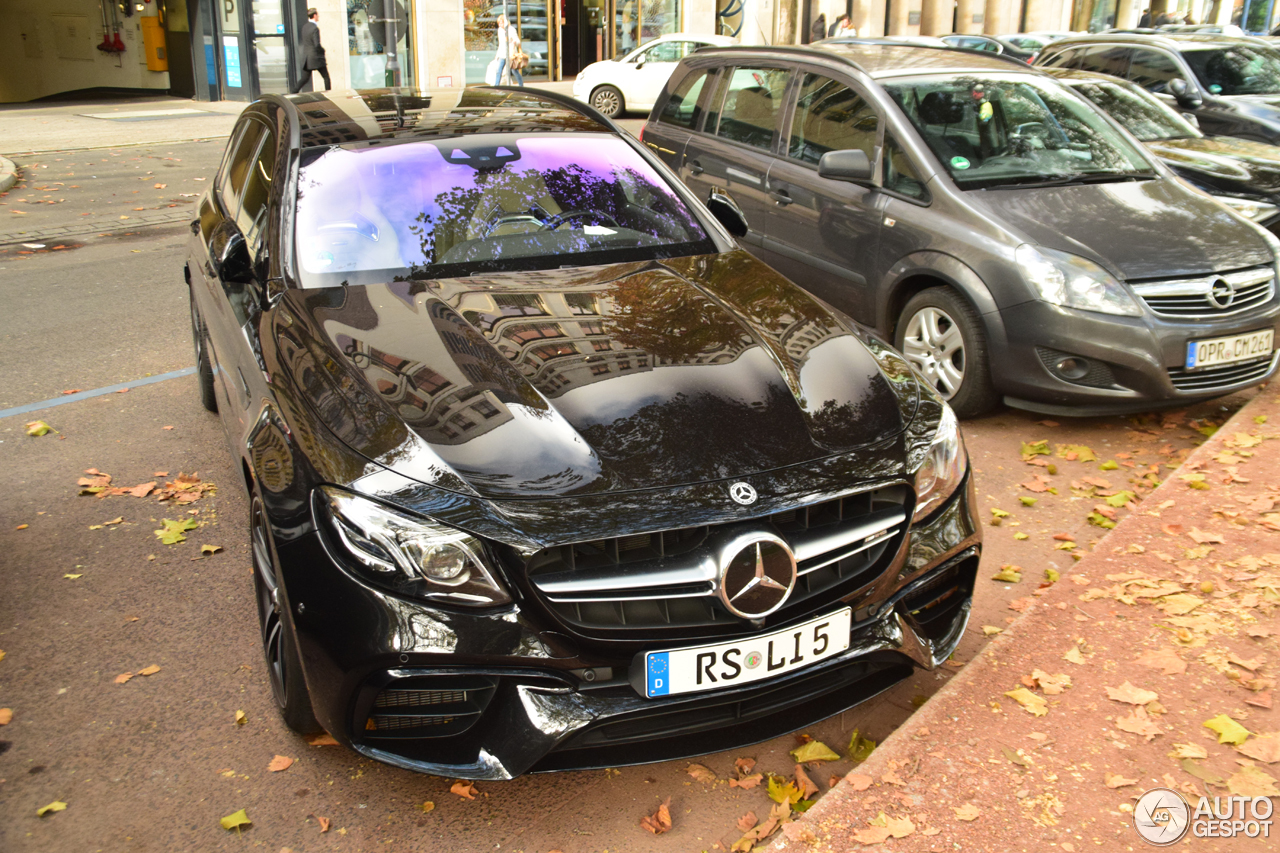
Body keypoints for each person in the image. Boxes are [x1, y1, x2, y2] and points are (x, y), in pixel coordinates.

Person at [292, 8, 330, 93]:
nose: (318, 16)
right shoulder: (315, 28)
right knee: (326, 76)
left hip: (307, 57)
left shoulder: (305, 27)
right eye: (318, 15)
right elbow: (317, 44)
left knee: (305, 78)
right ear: (315, 15)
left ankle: (293, 92)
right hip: (316, 57)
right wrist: (322, 50)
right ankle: (329, 93)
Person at [493, 13, 524, 86]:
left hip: (510, 54)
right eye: (499, 23)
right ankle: (496, 85)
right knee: (499, 70)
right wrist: (497, 55)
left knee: (514, 71)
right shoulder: (500, 30)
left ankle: (521, 85)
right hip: (502, 53)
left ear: (505, 22)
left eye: (501, 23)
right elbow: (500, 43)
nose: (500, 25)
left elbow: (517, 40)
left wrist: (514, 41)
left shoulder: (511, 29)